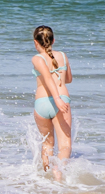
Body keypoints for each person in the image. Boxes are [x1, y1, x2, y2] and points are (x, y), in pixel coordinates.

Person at [30, 25, 73, 179]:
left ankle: (46, 177)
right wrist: (57, 98)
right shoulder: (62, 55)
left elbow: (46, 78)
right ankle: (58, 172)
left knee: (47, 143)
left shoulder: (37, 58)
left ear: (36, 42)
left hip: (41, 103)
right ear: (53, 40)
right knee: (65, 144)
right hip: (60, 101)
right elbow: (68, 79)